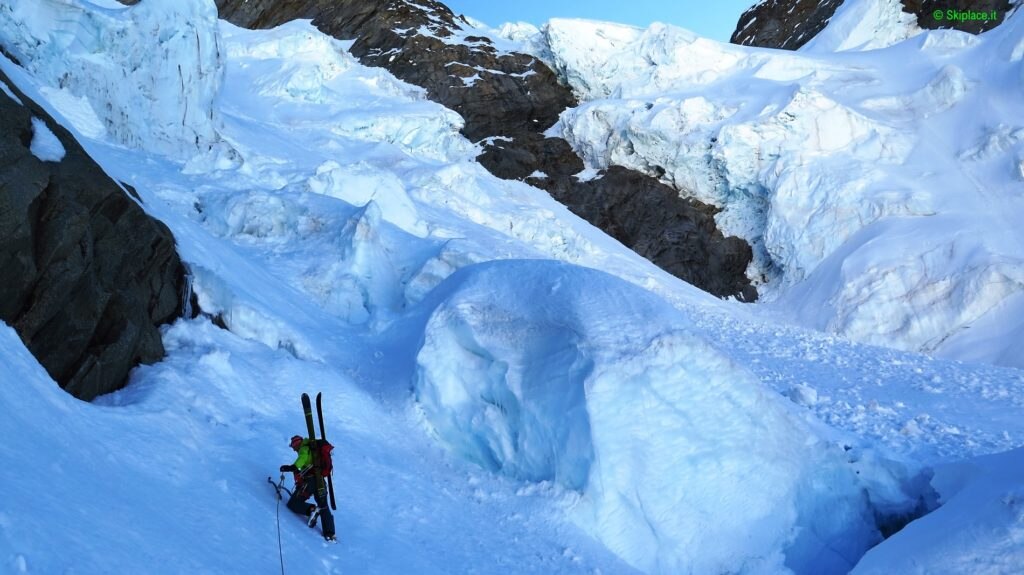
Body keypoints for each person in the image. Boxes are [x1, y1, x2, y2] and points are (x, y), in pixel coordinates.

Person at [280, 434, 336, 540]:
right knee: (323, 506)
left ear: (297, 444)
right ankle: (330, 533)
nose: (293, 449)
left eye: (293, 446)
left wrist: (292, 467)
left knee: (293, 503)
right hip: (321, 482)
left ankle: (311, 510)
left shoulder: (304, 448)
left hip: (310, 482)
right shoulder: (312, 449)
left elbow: (302, 458)